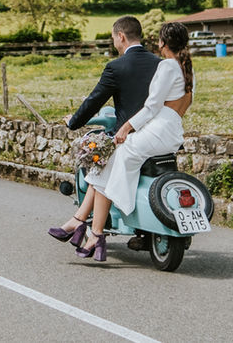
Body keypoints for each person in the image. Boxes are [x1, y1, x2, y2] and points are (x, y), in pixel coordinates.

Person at [53, 22, 194, 262]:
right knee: (112, 162)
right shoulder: (185, 67)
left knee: (106, 161)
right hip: (173, 130)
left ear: (162, 42)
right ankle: (85, 225)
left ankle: (93, 230)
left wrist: (127, 127)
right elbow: (183, 102)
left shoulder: (166, 66)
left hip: (156, 131)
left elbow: (151, 106)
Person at [46, 16, 160, 248]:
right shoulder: (159, 63)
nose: (114, 43)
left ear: (121, 36)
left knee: (100, 165)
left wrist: (73, 122)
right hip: (159, 134)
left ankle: (87, 226)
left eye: (113, 38)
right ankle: (82, 222)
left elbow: (94, 100)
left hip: (128, 136)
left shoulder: (116, 67)